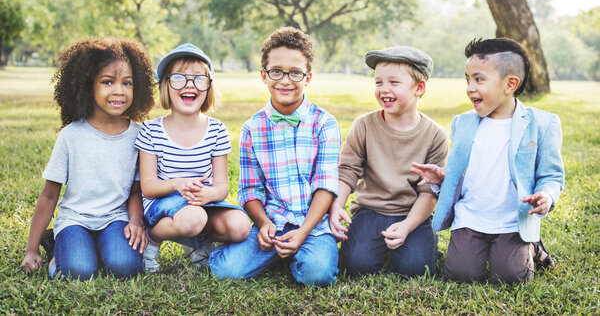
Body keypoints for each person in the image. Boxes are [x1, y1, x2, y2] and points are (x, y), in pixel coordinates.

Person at [412, 37, 565, 284]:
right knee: (461, 275)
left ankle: (533, 247)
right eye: (467, 79)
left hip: (511, 221)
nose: (470, 87)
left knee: (511, 277)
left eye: (479, 79)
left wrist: (546, 195)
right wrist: (443, 177)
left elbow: (551, 176)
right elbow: (463, 171)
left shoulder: (543, 123)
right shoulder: (462, 122)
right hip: (471, 216)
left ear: (510, 84)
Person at [209, 27, 342, 287]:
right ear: (264, 75)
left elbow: (326, 186)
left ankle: (295, 255)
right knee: (225, 271)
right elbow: (249, 189)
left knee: (318, 274)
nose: (285, 80)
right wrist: (264, 223)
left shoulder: (324, 124)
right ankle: (270, 252)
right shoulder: (251, 128)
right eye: (276, 71)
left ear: (308, 77)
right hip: (270, 223)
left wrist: (303, 232)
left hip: (312, 226)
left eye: (295, 73)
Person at [21, 37, 156, 280]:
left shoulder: (139, 134)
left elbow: (136, 190)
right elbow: (50, 194)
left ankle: (93, 249)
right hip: (76, 220)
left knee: (126, 267)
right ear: (86, 85)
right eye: (107, 82)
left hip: (115, 219)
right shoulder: (71, 135)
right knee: (78, 272)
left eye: (127, 83)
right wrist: (31, 249)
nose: (119, 91)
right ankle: (55, 247)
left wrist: (136, 221)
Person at [329, 46, 448, 277]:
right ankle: (376, 245)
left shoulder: (435, 135)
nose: (384, 89)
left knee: (416, 269)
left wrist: (407, 226)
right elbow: (347, 172)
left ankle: (422, 246)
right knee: (356, 266)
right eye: (378, 82)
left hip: (411, 212)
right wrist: (337, 206)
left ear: (419, 88)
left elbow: (428, 192)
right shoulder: (363, 125)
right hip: (370, 210)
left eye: (394, 82)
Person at [136, 43, 250, 272]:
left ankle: (200, 243)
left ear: (208, 88)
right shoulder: (151, 131)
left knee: (240, 227)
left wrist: (209, 194)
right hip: (162, 202)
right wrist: (179, 184)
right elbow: (147, 187)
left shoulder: (217, 130)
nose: (190, 85)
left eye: (199, 79)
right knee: (194, 218)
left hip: (202, 201)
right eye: (178, 78)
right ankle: (153, 237)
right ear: (166, 86)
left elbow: (221, 187)